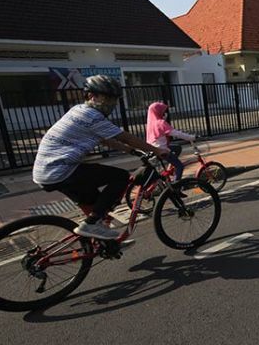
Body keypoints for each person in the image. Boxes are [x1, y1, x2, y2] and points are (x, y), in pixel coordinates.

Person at [32, 75, 167, 240]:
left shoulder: (78, 111)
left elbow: (105, 139)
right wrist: (156, 150)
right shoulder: (91, 115)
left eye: (114, 99)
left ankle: (102, 240)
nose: (111, 103)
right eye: (106, 97)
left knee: (100, 206)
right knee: (121, 177)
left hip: (49, 171)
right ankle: (92, 223)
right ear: (90, 96)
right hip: (61, 170)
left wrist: (130, 151)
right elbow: (125, 137)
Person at [146, 101, 196, 181]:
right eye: (163, 111)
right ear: (158, 112)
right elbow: (176, 133)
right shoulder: (160, 123)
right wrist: (191, 137)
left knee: (177, 148)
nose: (164, 113)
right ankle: (176, 187)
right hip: (161, 149)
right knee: (180, 166)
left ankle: (170, 167)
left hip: (154, 148)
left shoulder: (151, 123)